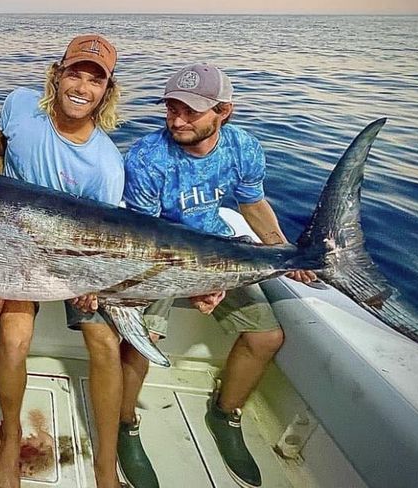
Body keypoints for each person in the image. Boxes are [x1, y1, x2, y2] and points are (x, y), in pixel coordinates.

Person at [0, 34, 124, 488]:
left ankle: (108, 461)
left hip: (73, 258)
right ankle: (7, 434)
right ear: (57, 74)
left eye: (96, 80)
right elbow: (2, 142)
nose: (82, 87)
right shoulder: (21, 103)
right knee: (12, 337)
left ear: (106, 92)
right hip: (8, 248)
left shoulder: (105, 164)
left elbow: (103, 236)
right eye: (75, 72)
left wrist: (91, 279)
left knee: (107, 343)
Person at [119, 63, 317, 488]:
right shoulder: (148, 157)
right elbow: (145, 240)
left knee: (266, 337)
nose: (176, 120)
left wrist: (284, 252)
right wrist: (202, 281)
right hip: (157, 257)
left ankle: (225, 413)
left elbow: (252, 205)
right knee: (140, 339)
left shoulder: (243, 147)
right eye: (171, 108)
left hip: (217, 250)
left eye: (190, 112)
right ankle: (124, 422)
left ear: (224, 111)